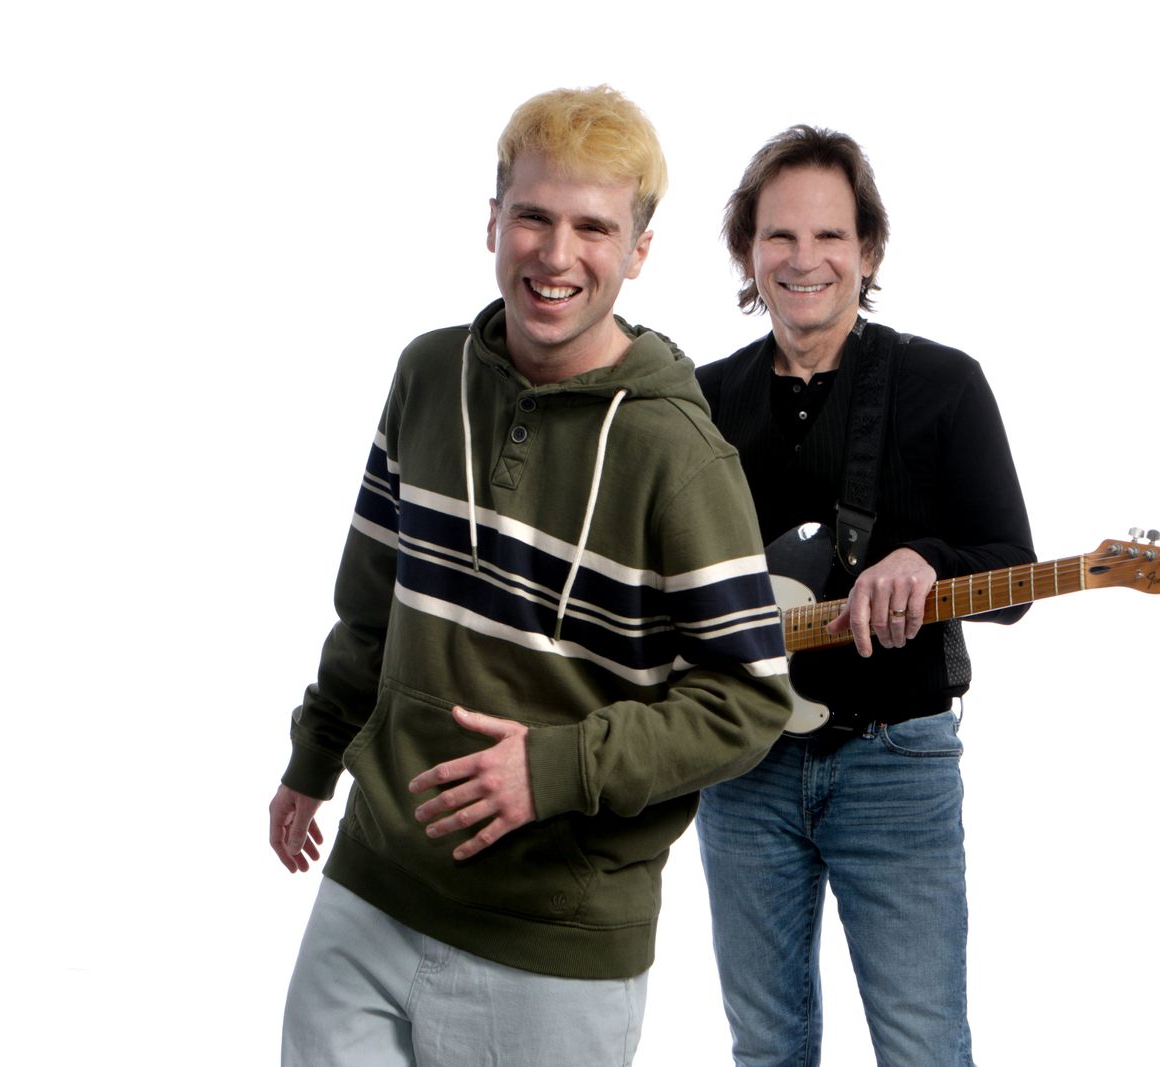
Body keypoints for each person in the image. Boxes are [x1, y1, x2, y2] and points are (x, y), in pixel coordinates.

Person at [269, 86, 792, 1067]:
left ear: (638, 251)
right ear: (492, 222)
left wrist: (554, 768)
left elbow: (748, 699)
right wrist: (315, 754)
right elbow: (370, 604)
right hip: (370, 887)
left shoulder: (677, 454)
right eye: (534, 217)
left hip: (553, 941)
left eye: (593, 228)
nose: (556, 255)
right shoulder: (427, 376)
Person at [694, 125, 1035, 1067]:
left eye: (830, 236)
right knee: (765, 1047)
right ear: (748, 252)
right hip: (742, 767)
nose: (804, 259)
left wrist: (927, 558)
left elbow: (1013, 573)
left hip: (896, 765)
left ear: (869, 251)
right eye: (779, 235)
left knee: (923, 1046)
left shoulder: (943, 385)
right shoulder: (700, 400)